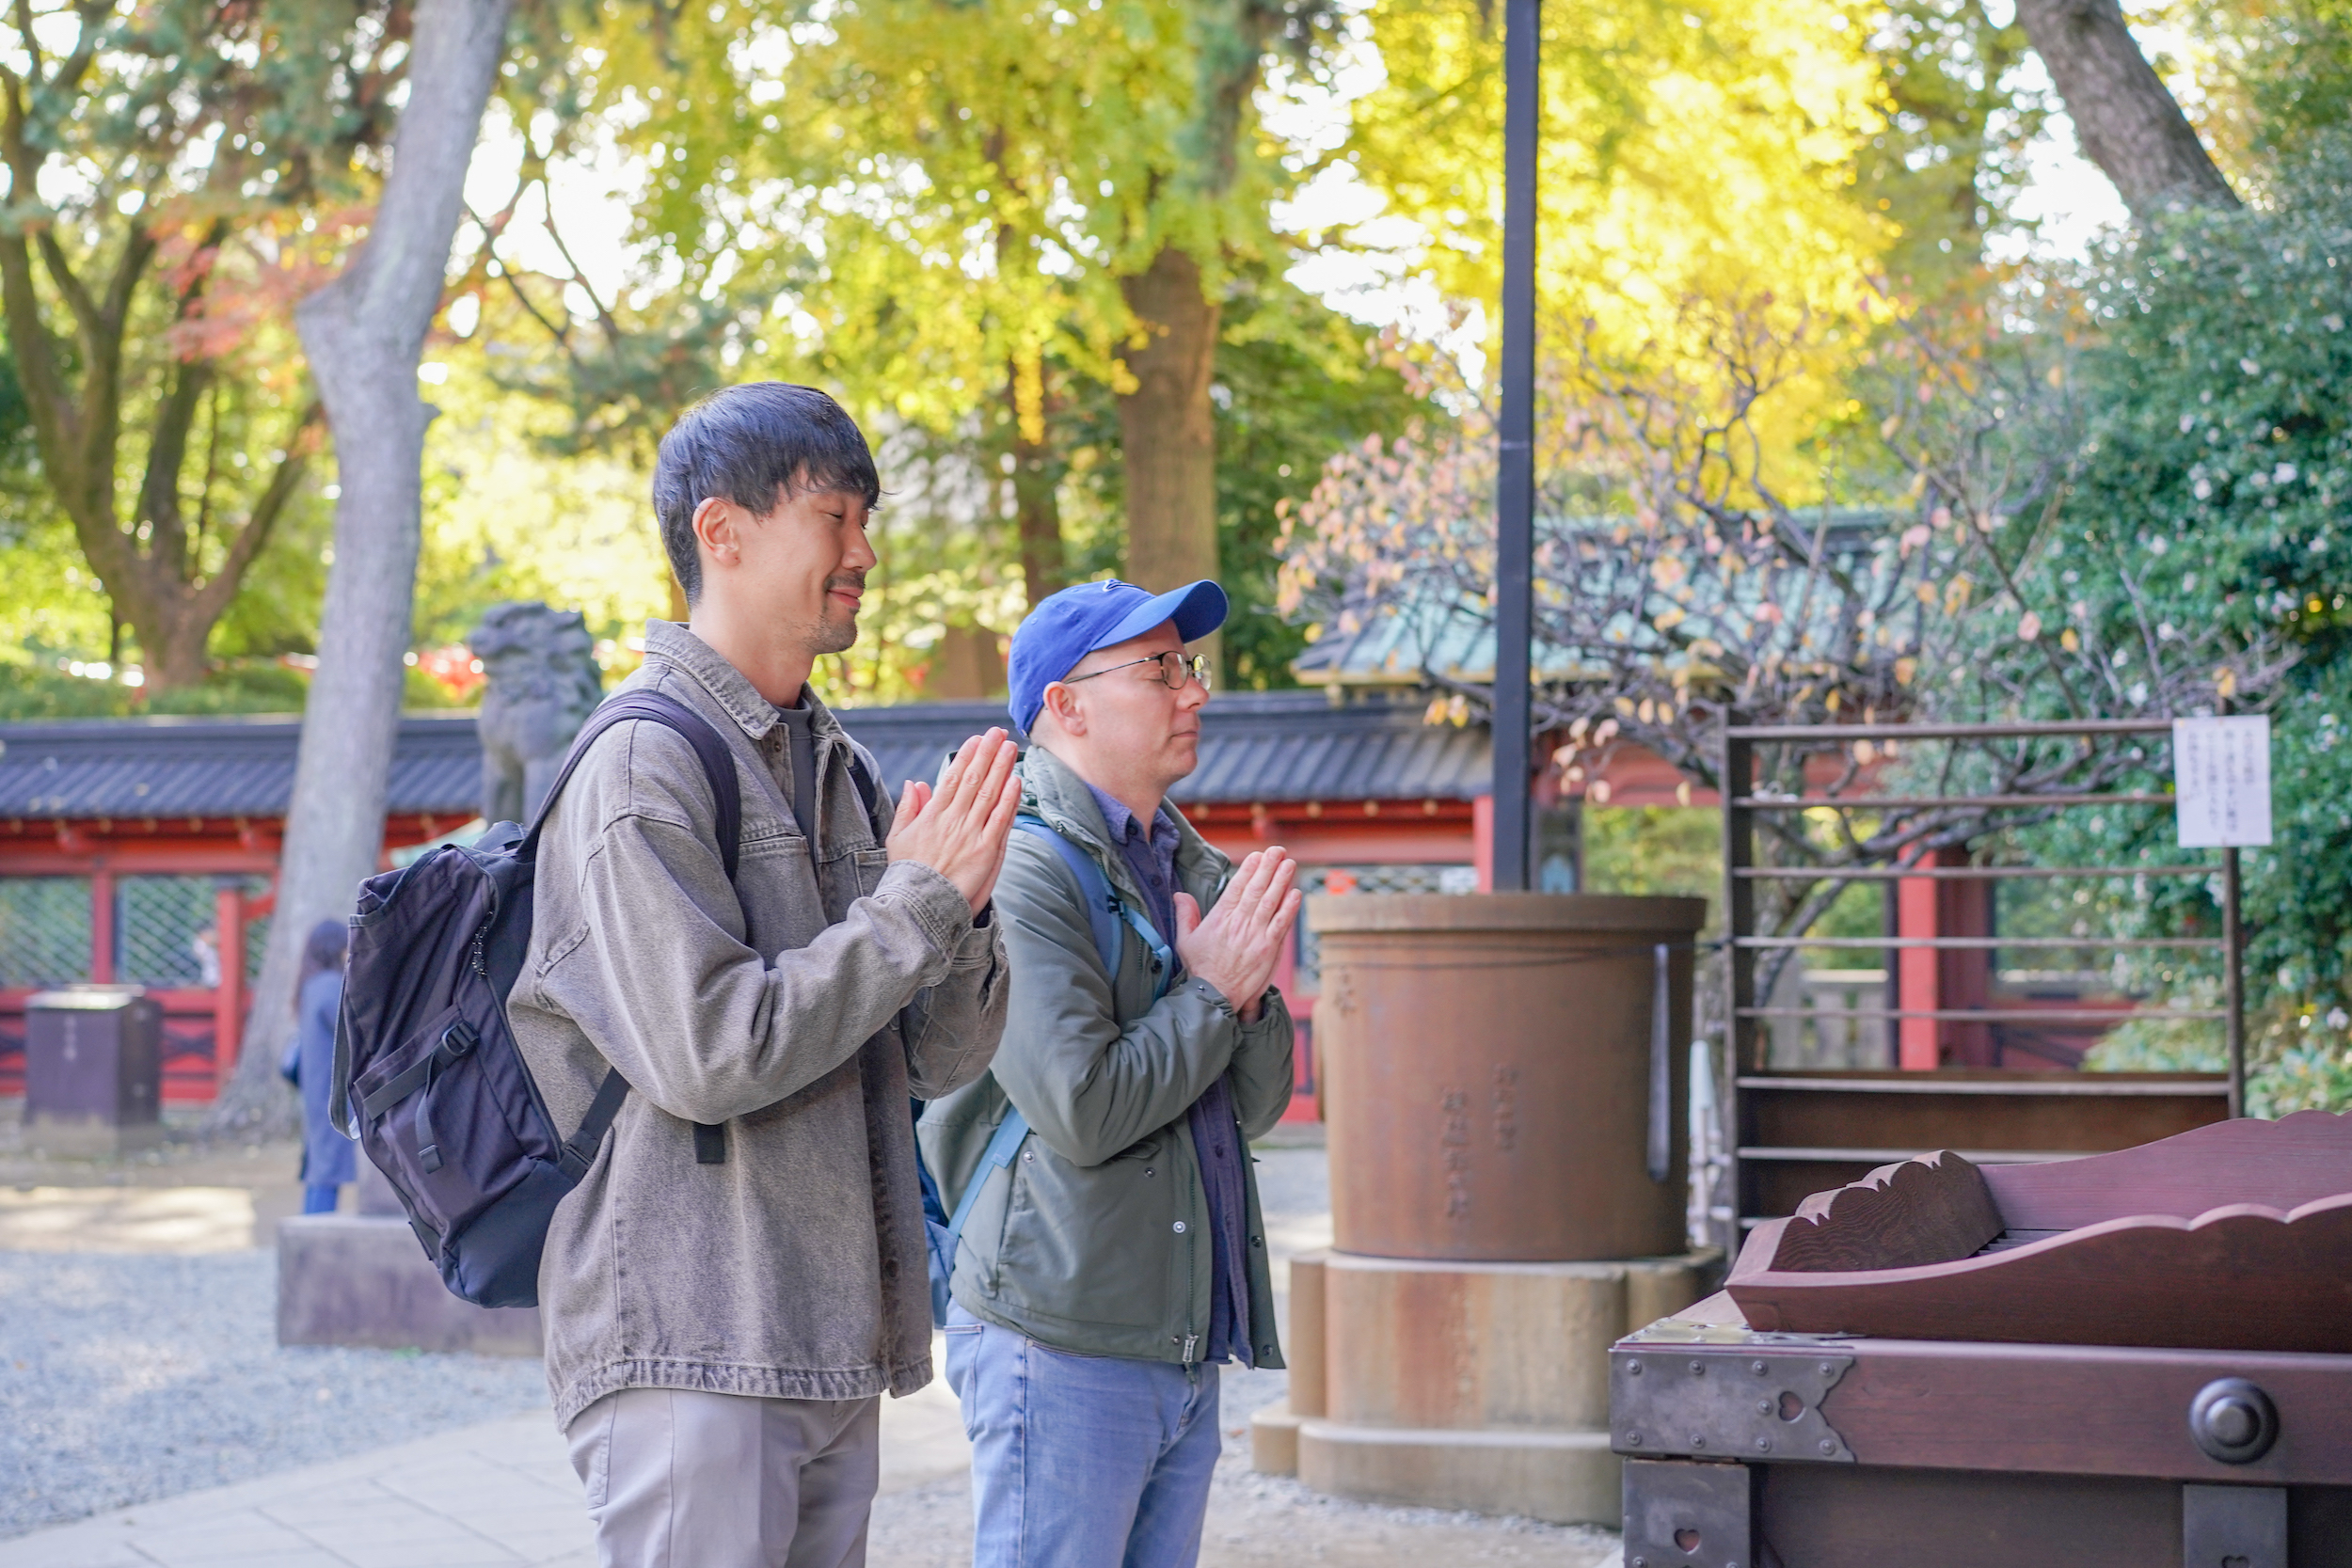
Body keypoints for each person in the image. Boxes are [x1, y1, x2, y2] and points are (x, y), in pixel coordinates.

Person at [506, 382, 1021, 1568]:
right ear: (722, 531)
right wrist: (916, 903)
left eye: (864, 520)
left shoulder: (833, 758)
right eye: (835, 517)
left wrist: (965, 902)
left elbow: (936, 1056)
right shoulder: (643, 760)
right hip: (696, 1329)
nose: (865, 552)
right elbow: (707, 1050)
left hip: (826, 1325)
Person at [921, 578, 1303, 1568]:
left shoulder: (1186, 863)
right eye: (1160, 668)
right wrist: (1214, 993)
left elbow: (1254, 1106)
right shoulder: (1021, 863)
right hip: (1059, 1328)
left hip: (1174, 1329)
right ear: (1067, 702)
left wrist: (1243, 1000)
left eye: (1189, 667)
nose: (1193, 691)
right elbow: (1081, 1107)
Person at [292, 919, 353, 1215]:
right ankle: (315, 1228)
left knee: (322, 1165)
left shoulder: (313, 985)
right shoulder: (329, 986)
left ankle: (313, 1224)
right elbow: (354, 1031)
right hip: (331, 1089)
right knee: (326, 1169)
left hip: (318, 1086)